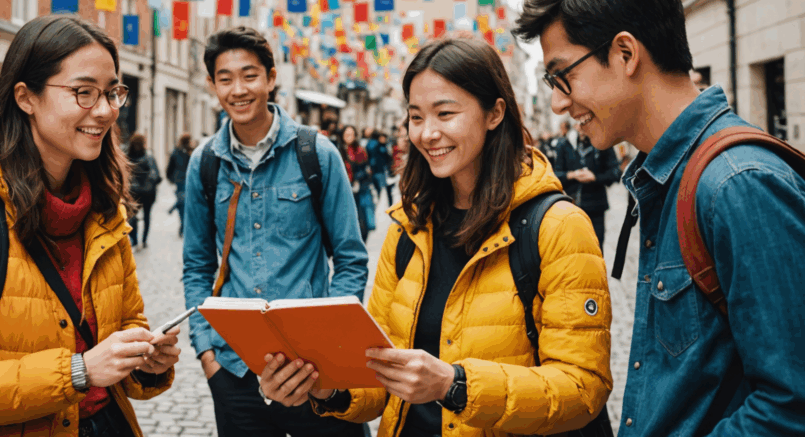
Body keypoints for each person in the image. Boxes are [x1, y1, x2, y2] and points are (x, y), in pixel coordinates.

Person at [514, 0, 805, 436]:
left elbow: (790, 405)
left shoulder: (737, 183)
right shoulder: (669, 178)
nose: (560, 102)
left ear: (625, 54)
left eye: (563, 76)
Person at [260, 37, 612, 436]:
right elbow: (378, 370)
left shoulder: (558, 226)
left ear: (495, 113)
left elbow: (583, 389)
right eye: (415, 117)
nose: (427, 133)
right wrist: (326, 388)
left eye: (445, 114)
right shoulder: (410, 228)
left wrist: (454, 386)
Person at [0, 15, 179, 436]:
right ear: (25, 97)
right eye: (83, 92)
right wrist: (78, 372)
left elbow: (128, 326)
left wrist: (144, 361)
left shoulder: (103, 210)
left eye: (111, 93)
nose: (104, 111)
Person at [183, 26, 369, 437]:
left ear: (270, 78)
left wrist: (332, 348)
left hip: (313, 370)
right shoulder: (205, 163)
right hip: (234, 369)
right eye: (225, 78)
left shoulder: (316, 153)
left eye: (249, 75)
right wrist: (208, 354)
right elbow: (197, 264)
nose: (238, 89)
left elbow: (351, 257)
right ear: (213, 85)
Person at [552, 131, 621, 247]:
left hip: (596, 206)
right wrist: (572, 175)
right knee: (573, 248)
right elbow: (555, 174)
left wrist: (595, 177)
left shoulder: (602, 143)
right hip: (571, 207)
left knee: (596, 246)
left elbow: (615, 173)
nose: (581, 127)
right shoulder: (564, 144)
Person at [339, 126, 374, 242]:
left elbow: (367, 169)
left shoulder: (360, 150)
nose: (349, 137)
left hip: (360, 189)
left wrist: (359, 178)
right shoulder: (339, 150)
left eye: (351, 134)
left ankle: (362, 240)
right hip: (344, 190)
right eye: (347, 135)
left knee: (362, 218)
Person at [127, 133, 161, 249]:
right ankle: (144, 240)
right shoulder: (149, 157)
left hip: (133, 191)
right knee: (147, 215)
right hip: (148, 192)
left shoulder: (127, 157)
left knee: (132, 216)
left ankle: (135, 240)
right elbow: (157, 176)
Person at [166, 133, 194, 236]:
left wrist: (170, 177)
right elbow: (171, 166)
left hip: (181, 181)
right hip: (185, 181)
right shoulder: (190, 152)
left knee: (183, 203)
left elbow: (170, 167)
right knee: (184, 203)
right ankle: (183, 225)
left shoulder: (177, 151)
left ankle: (176, 210)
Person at [366, 131, 395, 208]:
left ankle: (386, 205)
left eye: (384, 138)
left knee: (384, 190)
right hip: (377, 170)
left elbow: (389, 159)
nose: (383, 139)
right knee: (379, 190)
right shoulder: (377, 146)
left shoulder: (386, 146)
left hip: (383, 171)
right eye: (381, 138)